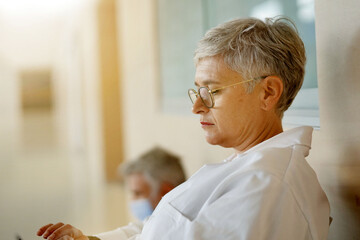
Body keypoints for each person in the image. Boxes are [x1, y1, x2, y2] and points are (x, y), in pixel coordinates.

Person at [37, 16, 330, 240]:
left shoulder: (267, 186)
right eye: (197, 91)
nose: (197, 107)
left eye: (212, 91)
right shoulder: (249, 166)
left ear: (268, 93)